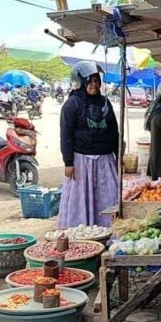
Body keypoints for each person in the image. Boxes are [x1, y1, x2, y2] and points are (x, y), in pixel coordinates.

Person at [58, 61, 119, 228]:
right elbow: (66, 134)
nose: (94, 84)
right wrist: (68, 162)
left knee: (108, 196)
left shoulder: (105, 103)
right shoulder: (72, 104)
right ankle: (80, 232)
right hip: (80, 161)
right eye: (90, 81)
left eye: (97, 81)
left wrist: (118, 154)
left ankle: (107, 231)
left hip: (105, 159)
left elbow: (114, 131)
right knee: (81, 198)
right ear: (81, 82)